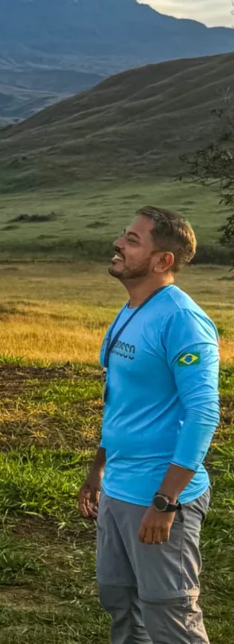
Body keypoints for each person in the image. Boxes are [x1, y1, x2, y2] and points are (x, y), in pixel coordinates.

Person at [78, 207, 221, 643]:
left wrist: (166, 501)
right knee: (120, 604)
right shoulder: (131, 311)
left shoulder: (182, 320)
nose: (118, 244)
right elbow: (121, 401)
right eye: (124, 235)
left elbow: (203, 413)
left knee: (170, 618)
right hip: (118, 489)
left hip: (158, 496)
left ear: (163, 261)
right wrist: (98, 469)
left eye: (132, 240)